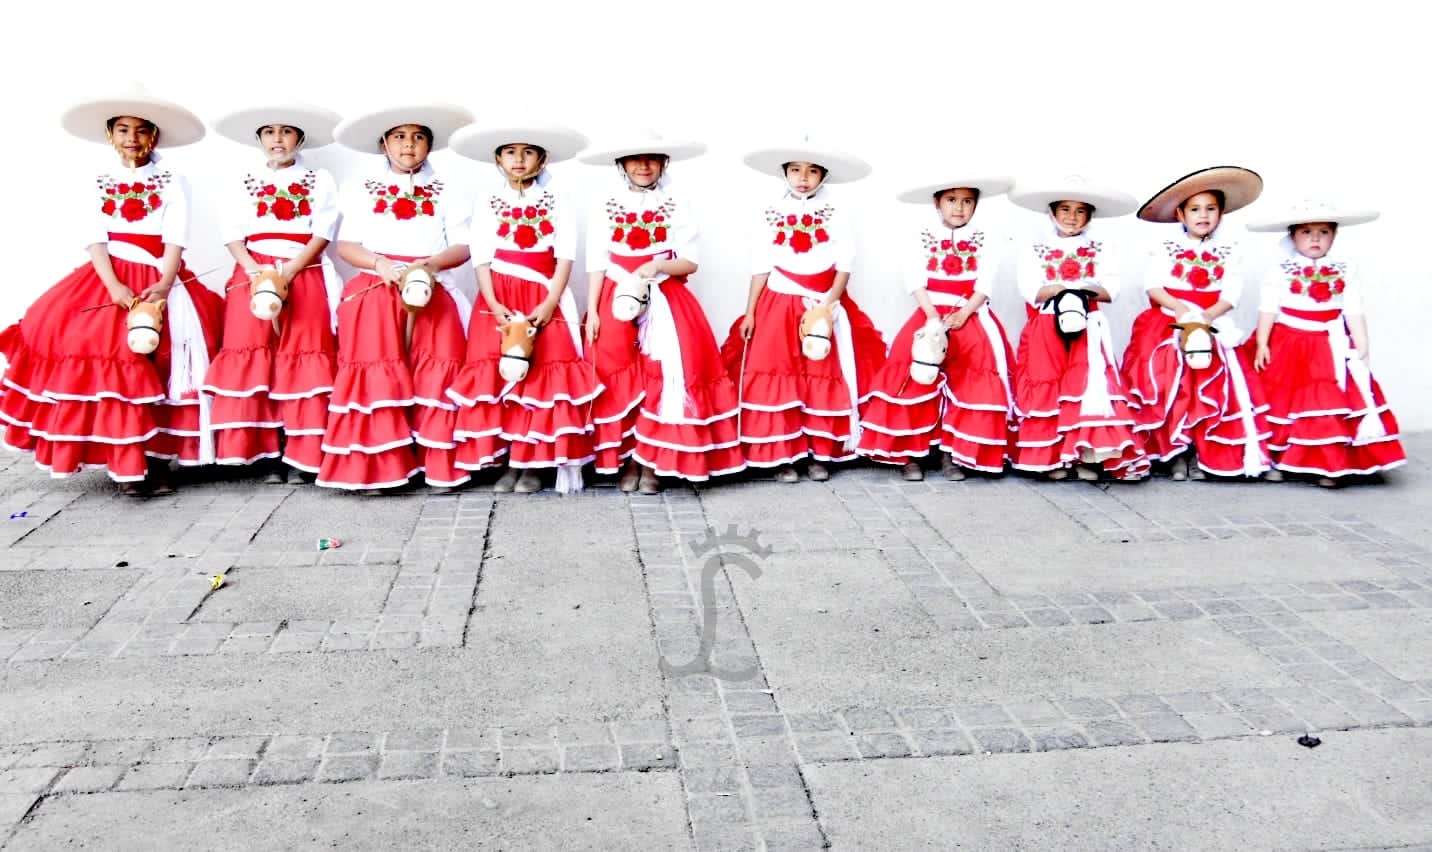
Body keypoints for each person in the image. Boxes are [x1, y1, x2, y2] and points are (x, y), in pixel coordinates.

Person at [0, 84, 220, 495]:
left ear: (153, 135)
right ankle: (126, 466)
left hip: (159, 274)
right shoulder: (98, 180)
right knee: (108, 357)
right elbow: (94, 237)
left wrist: (167, 282)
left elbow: (176, 234)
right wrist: (114, 285)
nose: (131, 139)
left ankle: (156, 457)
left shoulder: (172, 179)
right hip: (110, 277)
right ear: (110, 135)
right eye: (122, 130)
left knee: (166, 360)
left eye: (140, 130)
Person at [317, 103, 476, 493]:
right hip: (378, 284)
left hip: (431, 284)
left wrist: (431, 264)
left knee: (436, 366)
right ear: (384, 144)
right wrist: (381, 264)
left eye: (418, 137)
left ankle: (435, 463)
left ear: (429, 145)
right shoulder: (359, 188)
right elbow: (347, 245)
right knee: (377, 368)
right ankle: (378, 467)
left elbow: (463, 245)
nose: (409, 145)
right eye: (400, 137)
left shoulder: (449, 189)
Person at [578, 132, 745, 493]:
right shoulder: (606, 203)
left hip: (664, 296)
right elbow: (597, 260)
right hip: (615, 293)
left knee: (665, 373)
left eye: (652, 158)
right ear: (621, 165)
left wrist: (658, 265)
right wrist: (592, 310)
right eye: (635, 158)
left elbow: (690, 261)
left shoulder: (676, 203)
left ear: (663, 164)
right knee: (617, 371)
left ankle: (650, 461)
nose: (643, 165)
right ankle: (624, 458)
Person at [718, 139, 886, 482]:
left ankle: (821, 453)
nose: (803, 178)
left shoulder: (835, 212)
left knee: (821, 371)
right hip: (779, 301)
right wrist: (751, 311)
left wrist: (829, 303)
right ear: (785, 173)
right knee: (778, 373)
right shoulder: (770, 210)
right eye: (795, 170)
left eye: (811, 172)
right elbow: (761, 264)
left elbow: (845, 262)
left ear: (823, 176)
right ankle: (783, 456)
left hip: (823, 301)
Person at [446, 121, 598, 494]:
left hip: (542, 294)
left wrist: (550, 303)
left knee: (541, 378)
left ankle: (535, 463)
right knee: (503, 375)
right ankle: (508, 461)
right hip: (499, 295)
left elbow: (564, 256)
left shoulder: (557, 199)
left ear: (541, 158)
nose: (519, 159)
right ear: (498, 158)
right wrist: (494, 304)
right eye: (510, 152)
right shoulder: (486, 199)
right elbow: (481, 256)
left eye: (528, 151)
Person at [203, 101, 342, 483]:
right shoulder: (241, 179)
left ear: (299, 137)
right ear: (260, 139)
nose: (277, 139)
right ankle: (263, 451)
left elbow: (323, 229)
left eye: (285, 131)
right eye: (269, 132)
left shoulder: (320, 179)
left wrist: (293, 268)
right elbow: (231, 231)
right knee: (252, 349)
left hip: (303, 267)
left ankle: (303, 454)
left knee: (304, 352)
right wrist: (252, 269)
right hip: (253, 268)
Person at [855, 175, 1017, 481]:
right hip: (930, 312)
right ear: (937, 203)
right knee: (913, 374)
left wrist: (966, 312)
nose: (959, 208)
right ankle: (910, 454)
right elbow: (914, 278)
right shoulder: (922, 234)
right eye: (952, 200)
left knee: (970, 378)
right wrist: (931, 316)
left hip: (970, 314)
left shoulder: (986, 236)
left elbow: (986, 279)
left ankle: (951, 454)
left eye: (967, 201)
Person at [1120, 166, 1272, 480]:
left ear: (1220, 214)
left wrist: (1208, 316)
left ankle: (1203, 452)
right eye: (1195, 209)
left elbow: (1232, 292)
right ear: (1180, 214)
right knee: (1170, 384)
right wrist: (1179, 309)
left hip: (1209, 321)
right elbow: (1153, 286)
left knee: (1211, 384)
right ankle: (1173, 452)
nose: (1203, 215)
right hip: (1171, 321)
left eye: (1210, 209)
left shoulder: (1230, 250)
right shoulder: (1166, 248)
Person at [1246, 200, 1406, 486]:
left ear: (1334, 235)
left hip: (1328, 343)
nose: (1316, 238)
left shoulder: (1344, 268)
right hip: (1289, 342)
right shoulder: (1281, 269)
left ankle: (1327, 464)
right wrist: (1262, 342)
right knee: (1282, 401)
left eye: (1323, 231)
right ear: (1293, 236)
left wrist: (1361, 342)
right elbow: (1268, 307)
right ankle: (1277, 459)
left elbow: (1353, 308)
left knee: (1326, 402)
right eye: (1307, 231)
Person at [1007, 175, 1149, 481]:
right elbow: (1029, 287)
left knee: (1086, 386)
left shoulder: (1098, 247)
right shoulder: (1037, 247)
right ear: (1053, 212)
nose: (1072, 217)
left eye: (1080, 211)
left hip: (1088, 324)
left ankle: (1087, 455)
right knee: (1049, 384)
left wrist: (1081, 290)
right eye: (1066, 209)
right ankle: (1052, 457)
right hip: (1048, 322)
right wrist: (1056, 289)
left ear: (1089, 216)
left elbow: (1110, 287)